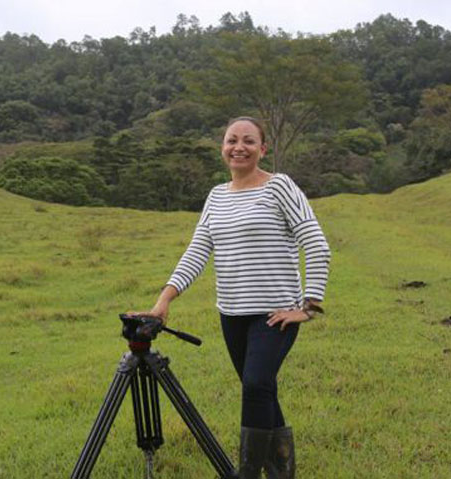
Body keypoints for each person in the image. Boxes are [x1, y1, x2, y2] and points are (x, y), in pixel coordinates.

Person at [140, 116, 331, 479]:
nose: (238, 147)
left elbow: (316, 245)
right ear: (222, 147)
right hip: (232, 314)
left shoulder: (280, 188)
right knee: (261, 390)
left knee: (257, 384)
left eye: (247, 141)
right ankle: (280, 472)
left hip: (275, 313)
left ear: (263, 148)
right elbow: (197, 251)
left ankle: (246, 474)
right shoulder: (216, 196)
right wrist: (165, 299)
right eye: (231, 140)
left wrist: (308, 307)